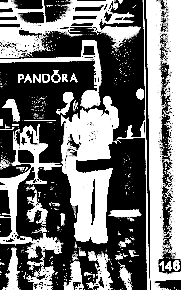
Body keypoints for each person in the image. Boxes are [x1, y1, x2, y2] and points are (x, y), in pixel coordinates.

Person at [71, 89, 118, 245]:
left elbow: (76, 140)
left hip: (85, 159)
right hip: (104, 159)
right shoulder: (106, 117)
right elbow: (110, 139)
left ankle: (83, 234)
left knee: (84, 199)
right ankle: (99, 235)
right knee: (101, 199)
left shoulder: (77, 117)